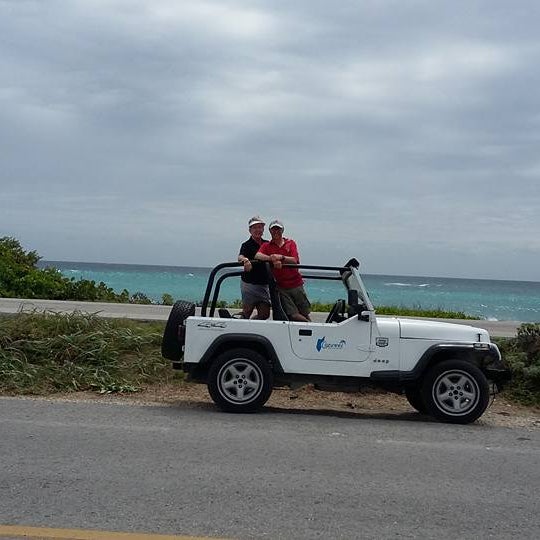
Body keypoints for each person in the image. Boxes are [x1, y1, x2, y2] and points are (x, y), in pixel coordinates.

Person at [255, 220, 311, 322]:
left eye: (278, 229)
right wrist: (271, 258)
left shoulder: (290, 243)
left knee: (304, 312)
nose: (276, 231)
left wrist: (281, 257)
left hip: (296, 284)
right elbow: (258, 255)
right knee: (293, 315)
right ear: (270, 231)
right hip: (282, 287)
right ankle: (311, 326)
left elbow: (295, 260)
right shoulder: (267, 246)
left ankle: (312, 329)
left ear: (282, 230)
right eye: (273, 229)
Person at [238, 216, 271, 319]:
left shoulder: (267, 244)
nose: (258, 230)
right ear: (250, 230)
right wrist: (245, 260)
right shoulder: (246, 245)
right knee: (247, 311)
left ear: (263, 229)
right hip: (249, 284)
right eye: (255, 228)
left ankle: (251, 325)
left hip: (263, 284)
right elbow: (240, 256)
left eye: (260, 227)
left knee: (264, 314)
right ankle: (238, 327)